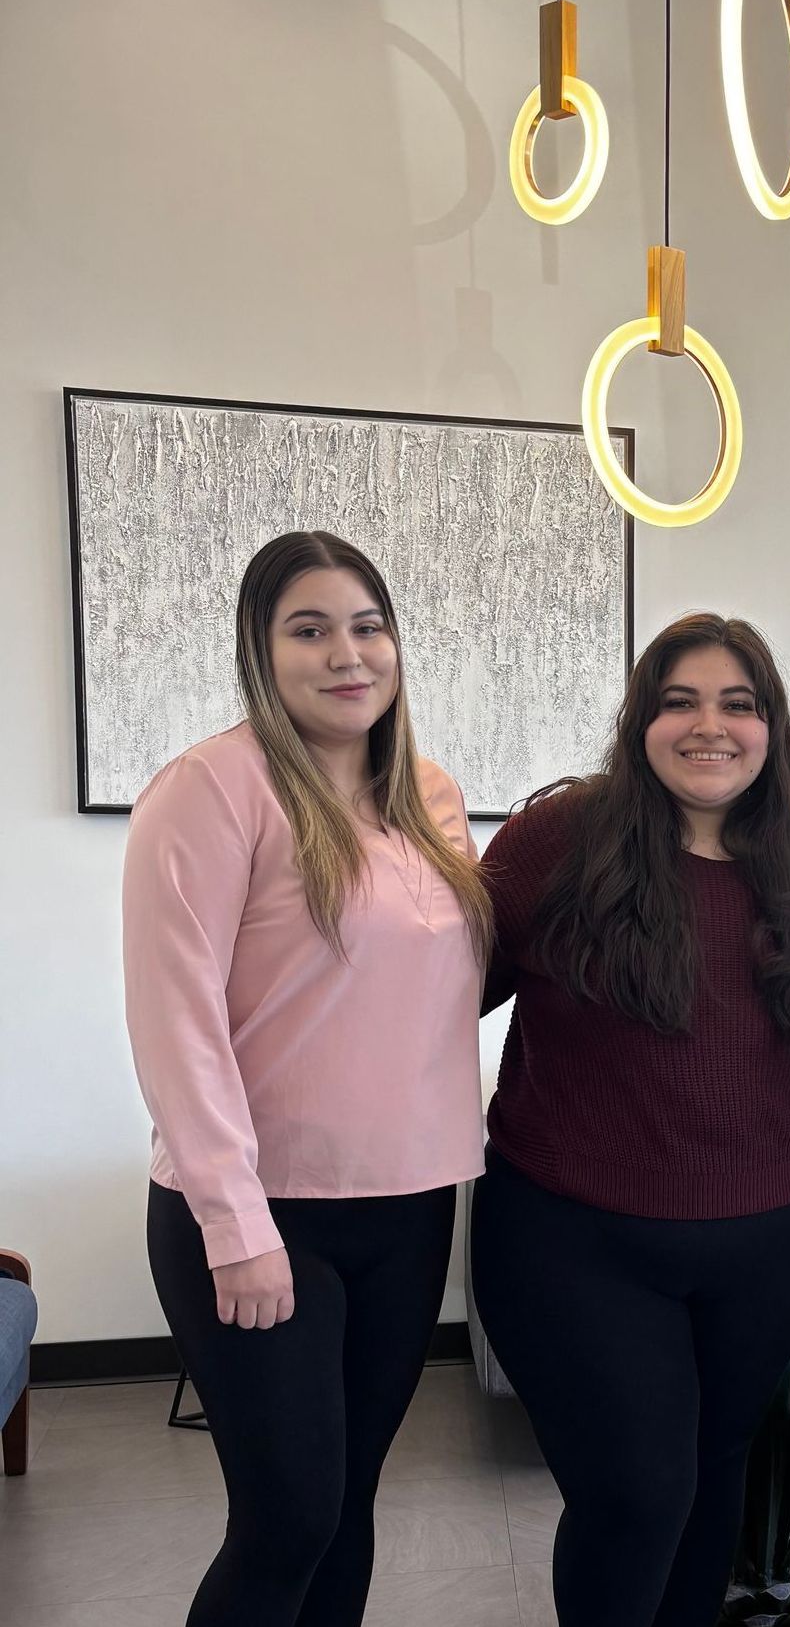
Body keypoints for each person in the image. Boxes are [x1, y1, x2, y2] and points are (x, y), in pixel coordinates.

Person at [469, 612, 790, 1627]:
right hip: (573, 1241)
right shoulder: (557, 843)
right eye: (680, 701)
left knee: (712, 1479)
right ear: (642, 721)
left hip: (769, 1241)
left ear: (769, 727)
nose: (710, 726)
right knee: (635, 1495)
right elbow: (428, 993)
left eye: (737, 704)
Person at [124, 531, 492, 1627]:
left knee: (348, 1507)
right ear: (262, 650)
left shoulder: (429, 793)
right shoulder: (209, 790)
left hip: (411, 1201)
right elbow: (174, 1025)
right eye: (310, 628)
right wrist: (234, 1227)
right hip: (259, 1215)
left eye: (368, 626)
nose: (348, 653)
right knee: (286, 1518)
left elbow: (436, 985)